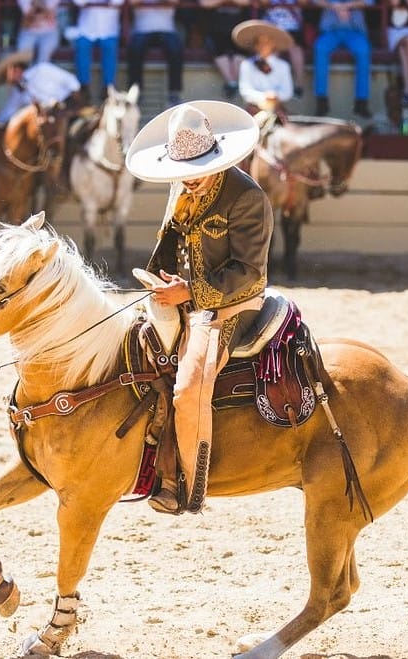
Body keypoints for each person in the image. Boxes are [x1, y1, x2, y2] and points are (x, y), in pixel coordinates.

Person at [125, 100, 272, 514]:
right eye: (182, 172)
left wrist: (189, 293)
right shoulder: (183, 187)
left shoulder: (247, 198)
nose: (187, 180)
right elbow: (171, 242)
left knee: (189, 389)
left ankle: (186, 486)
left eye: (195, 171)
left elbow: (248, 272)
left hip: (233, 306)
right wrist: (160, 280)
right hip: (184, 296)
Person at [312, 0, 374, 118]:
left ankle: (361, 102)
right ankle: (321, 101)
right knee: (320, 48)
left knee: (364, 51)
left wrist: (347, 6)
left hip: (355, 31)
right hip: (330, 31)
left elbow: (369, 2)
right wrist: (333, 6)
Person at [0, 49, 81, 124]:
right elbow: (7, 113)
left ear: (17, 69)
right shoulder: (17, 92)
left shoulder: (42, 70)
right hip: (46, 122)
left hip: (67, 110)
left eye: (10, 73)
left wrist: (72, 107)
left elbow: (73, 82)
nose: (10, 80)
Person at [127, 0, 184, 106]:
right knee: (135, 49)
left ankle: (174, 93)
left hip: (167, 30)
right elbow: (132, 2)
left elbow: (174, 1)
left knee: (175, 49)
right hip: (141, 30)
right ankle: (136, 91)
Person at [233, 19, 294, 118]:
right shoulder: (247, 64)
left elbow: (287, 91)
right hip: (254, 110)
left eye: (267, 42)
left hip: (276, 109)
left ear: (273, 44)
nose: (263, 46)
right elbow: (245, 90)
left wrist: (275, 96)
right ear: (255, 45)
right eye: (259, 42)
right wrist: (264, 96)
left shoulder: (283, 66)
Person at [70, 0, 124, 101]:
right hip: (86, 30)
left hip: (109, 30)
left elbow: (118, 2)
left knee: (110, 49)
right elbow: (79, 2)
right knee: (82, 47)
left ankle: (108, 88)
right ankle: (84, 87)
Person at [201, 0, 252, 98]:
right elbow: (205, 3)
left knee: (240, 52)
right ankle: (232, 84)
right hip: (216, 25)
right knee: (218, 49)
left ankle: (232, 85)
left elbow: (246, 2)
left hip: (240, 24)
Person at [260, 0, 307, 97]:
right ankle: (268, 87)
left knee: (295, 49)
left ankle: (299, 85)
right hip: (271, 26)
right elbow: (263, 2)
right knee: (271, 51)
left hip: (292, 26)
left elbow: (304, 3)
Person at [387, 0, 408, 106]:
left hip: (407, 29)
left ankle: (407, 89)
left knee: (403, 50)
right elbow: (393, 3)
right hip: (393, 31)